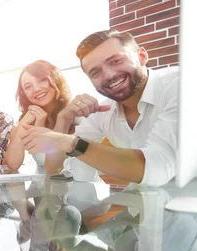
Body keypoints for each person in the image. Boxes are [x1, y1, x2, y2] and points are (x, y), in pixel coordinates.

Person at [19, 29, 178, 186]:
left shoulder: (179, 86)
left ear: (142, 56)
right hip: (143, 204)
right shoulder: (104, 111)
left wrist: (70, 143)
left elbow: (157, 168)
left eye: (116, 61)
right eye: (95, 72)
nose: (108, 75)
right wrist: (64, 118)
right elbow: (54, 166)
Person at [4, 60, 72, 170]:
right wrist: (23, 124)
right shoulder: (25, 120)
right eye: (28, 87)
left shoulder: (74, 114)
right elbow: (13, 164)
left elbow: (55, 168)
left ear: (55, 79)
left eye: (42, 80)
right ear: (24, 94)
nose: (36, 89)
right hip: (44, 185)